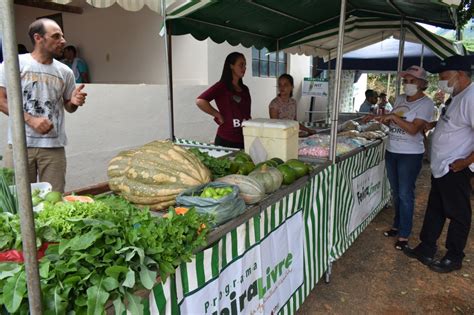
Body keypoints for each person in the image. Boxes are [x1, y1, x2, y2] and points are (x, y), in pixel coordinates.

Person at [404, 55, 474, 273]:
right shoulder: (457, 95)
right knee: (435, 209)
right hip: (441, 166)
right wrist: (434, 123)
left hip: (455, 167)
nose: (441, 81)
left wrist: (465, 162)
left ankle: (454, 256)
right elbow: (454, 123)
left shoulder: (472, 98)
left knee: (458, 213)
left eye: (444, 77)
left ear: (460, 74)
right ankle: (426, 247)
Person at [0, 18, 87, 192]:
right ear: (38, 38)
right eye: (56, 36)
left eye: (62, 36)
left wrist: (74, 102)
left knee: (53, 201)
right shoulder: (14, 64)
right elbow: (1, 99)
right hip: (21, 144)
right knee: (19, 201)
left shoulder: (65, 71)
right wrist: (31, 120)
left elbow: (68, 106)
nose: (63, 41)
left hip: (54, 147)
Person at [374, 65, 434, 250]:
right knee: (395, 192)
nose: (407, 84)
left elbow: (414, 129)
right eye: (406, 81)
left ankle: (404, 234)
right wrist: (380, 118)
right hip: (392, 150)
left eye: (412, 81)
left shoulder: (426, 103)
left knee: (405, 194)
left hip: (410, 155)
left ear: (422, 84)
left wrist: (393, 117)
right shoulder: (400, 98)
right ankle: (397, 225)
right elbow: (393, 120)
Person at [196, 52, 251, 149]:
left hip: (245, 138)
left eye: (245, 65)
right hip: (226, 139)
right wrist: (217, 114)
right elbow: (200, 101)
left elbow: (246, 112)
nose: (244, 68)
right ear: (231, 66)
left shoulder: (245, 89)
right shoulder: (222, 86)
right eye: (241, 65)